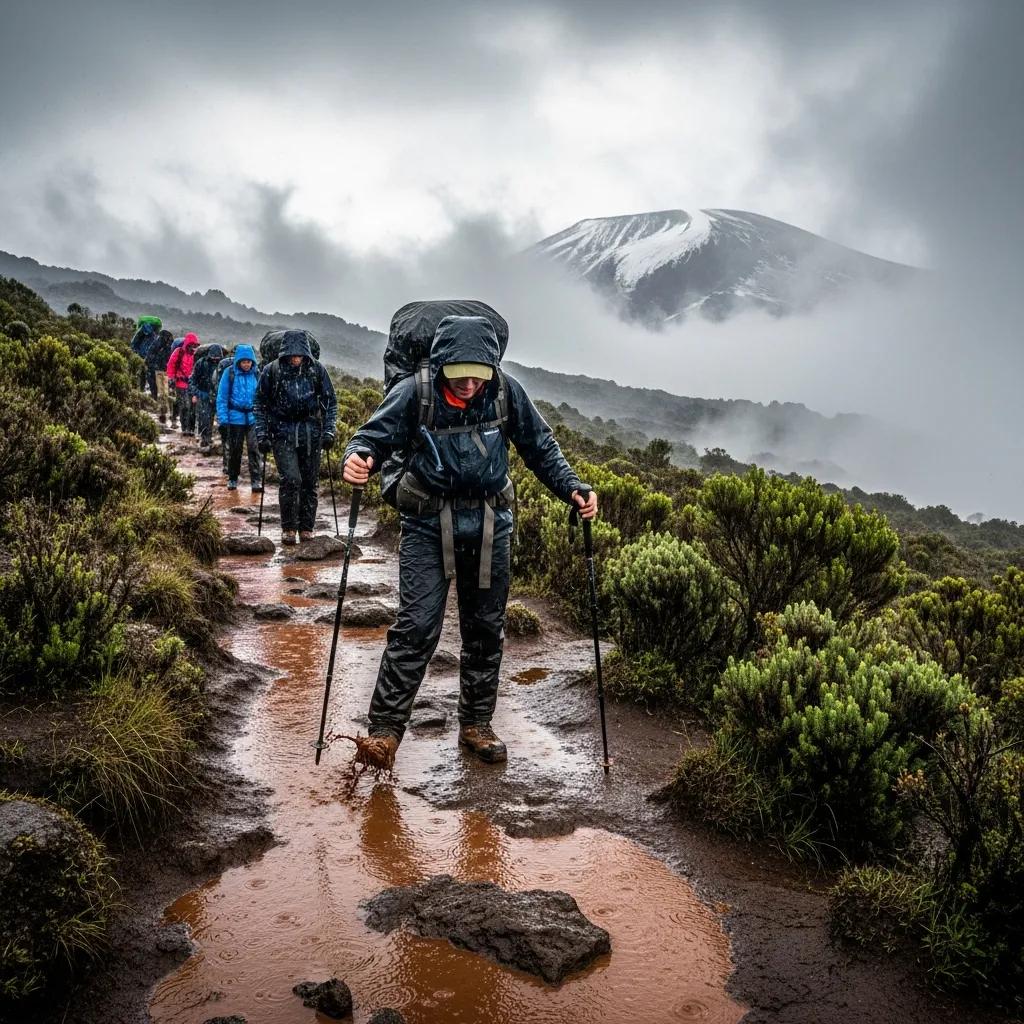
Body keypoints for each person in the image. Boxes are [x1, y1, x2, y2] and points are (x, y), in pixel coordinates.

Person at [342, 314, 597, 767]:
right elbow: (370, 438)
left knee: (485, 627)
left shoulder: (505, 392)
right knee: (417, 626)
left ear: (492, 369)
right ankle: (384, 733)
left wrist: (573, 488)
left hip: (489, 521)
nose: (468, 385)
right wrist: (357, 458)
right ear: (440, 365)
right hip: (426, 522)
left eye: (478, 376)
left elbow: (540, 446)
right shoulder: (413, 393)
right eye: (459, 376)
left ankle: (476, 725)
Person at [253, 330, 337, 545]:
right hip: (282, 433)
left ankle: (306, 528)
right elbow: (260, 405)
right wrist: (262, 434)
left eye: (300, 355)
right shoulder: (272, 371)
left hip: (311, 434)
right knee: (291, 480)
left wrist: (328, 431)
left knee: (310, 482)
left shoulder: (317, 370)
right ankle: (289, 528)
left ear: (306, 353)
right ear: (285, 353)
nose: (296, 358)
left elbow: (330, 403)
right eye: (292, 354)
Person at [216, 344, 262, 492]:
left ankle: (256, 480)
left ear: (253, 361)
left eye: (249, 362)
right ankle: (233, 478)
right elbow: (222, 398)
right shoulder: (229, 373)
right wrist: (223, 420)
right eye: (244, 362)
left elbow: (262, 398)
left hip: (253, 418)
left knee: (254, 450)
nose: (246, 364)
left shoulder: (257, 374)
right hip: (235, 418)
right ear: (238, 362)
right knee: (235, 450)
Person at [189, 343, 225, 452]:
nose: (215, 360)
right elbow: (192, 380)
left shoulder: (223, 365)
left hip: (219, 397)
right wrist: (196, 394)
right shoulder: (201, 364)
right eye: (213, 358)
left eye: (217, 359)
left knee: (222, 420)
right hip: (204, 395)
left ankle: (222, 442)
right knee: (204, 419)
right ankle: (205, 440)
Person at [166, 333, 200, 436]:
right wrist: (171, 377)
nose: (193, 347)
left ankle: (191, 429)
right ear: (188, 344)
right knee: (184, 406)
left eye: (195, 345)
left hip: (192, 385)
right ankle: (185, 428)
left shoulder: (196, 355)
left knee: (192, 408)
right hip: (180, 383)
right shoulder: (179, 352)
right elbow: (171, 365)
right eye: (192, 345)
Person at [212, 348, 235, 474]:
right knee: (229, 439)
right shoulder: (228, 370)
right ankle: (229, 466)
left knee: (227, 440)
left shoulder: (224, 367)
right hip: (231, 410)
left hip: (231, 411)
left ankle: (227, 466)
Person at [147, 329, 175, 423]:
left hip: (160, 370)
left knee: (161, 392)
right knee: (164, 392)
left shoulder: (157, 344)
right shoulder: (165, 344)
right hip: (162, 371)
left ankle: (162, 412)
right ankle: (164, 412)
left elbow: (150, 357)